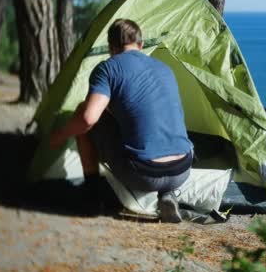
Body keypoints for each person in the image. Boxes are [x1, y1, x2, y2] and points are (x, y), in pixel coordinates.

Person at [49, 18, 193, 222]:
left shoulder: (108, 68)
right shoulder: (165, 69)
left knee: (85, 111)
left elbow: (88, 118)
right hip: (183, 168)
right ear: (141, 45)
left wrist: (62, 134)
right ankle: (168, 194)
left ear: (111, 47)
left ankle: (92, 197)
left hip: (143, 174)